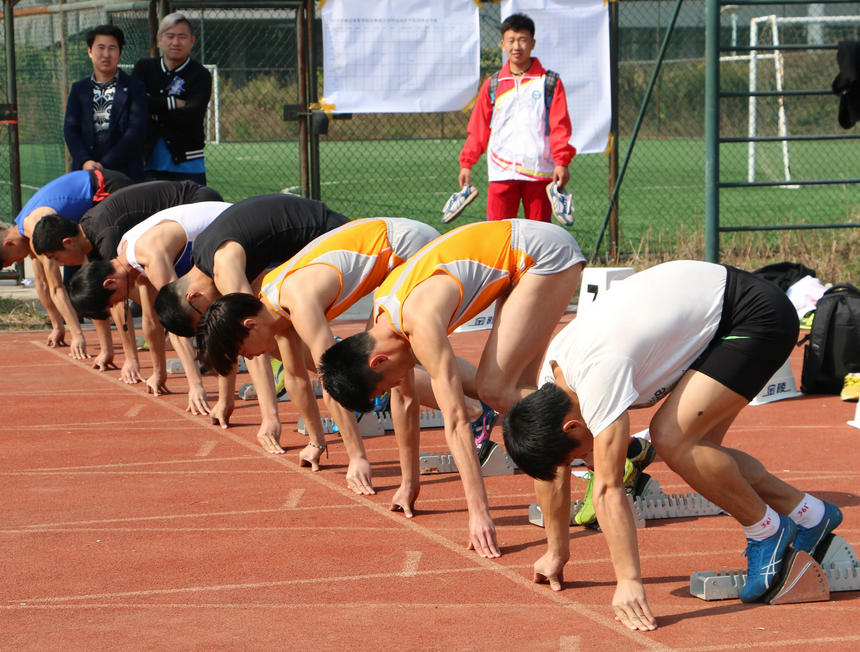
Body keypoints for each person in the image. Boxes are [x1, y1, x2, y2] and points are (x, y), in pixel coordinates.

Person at [502, 261, 845, 631]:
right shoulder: (550, 387)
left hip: (755, 314)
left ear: (572, 426)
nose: (589, 459)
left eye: (579, 456)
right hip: (718, 310)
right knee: (703, 454)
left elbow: (608, 487)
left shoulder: (598, 378)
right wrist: (556, 551)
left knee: (672, 438)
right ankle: (809, 514)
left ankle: (767, 530)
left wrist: (629, 582)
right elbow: (553, 474)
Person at [318, 219, 585, 558]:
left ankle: (607, 452)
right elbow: (405, 401)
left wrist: (479, 514)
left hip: (543, 255)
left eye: (386, 384)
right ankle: (595, 450)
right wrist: (409, 481)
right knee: (519, 394)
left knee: (497, 390)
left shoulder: (420, 322)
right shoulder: (382, 319)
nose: (397, 384)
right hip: (522, 260)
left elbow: (457, 419)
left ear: (377, 362)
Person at [194, 217, 441, 495]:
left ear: (251, 325)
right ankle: (463, 404)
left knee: (387, 367)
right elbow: (295, 376)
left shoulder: (299, 302)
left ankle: (468, 412)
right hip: (389, 250)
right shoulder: (274, 307)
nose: (250, 359)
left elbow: (331, 376)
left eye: (243, 353)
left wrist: (356, 457)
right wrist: (317, 442)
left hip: (408, 248)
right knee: (384, 364)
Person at [154, 194, 349, 454]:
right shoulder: (202, 257)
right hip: (302, 246)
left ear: (194, 297)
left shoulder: (224, 270)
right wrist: (225, 399)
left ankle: (357, 380)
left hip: (333, 236)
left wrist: (269, 417)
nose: (213, 322)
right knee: (282, 343)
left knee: (280, 341)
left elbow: (249, 338)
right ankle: (352, 377)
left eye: (205, 318)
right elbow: (236, 342)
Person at [69, 201, 232, 404]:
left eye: (113, 302)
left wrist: (195, 386)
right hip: (219, 233)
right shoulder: (126, 251)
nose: (118, 304)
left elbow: (176, 321)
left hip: (236, 224)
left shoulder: (150, 258)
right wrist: (158, 373)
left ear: (109, 282)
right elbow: (152, 319)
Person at [0, 169, 132, 368]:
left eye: (12, 261)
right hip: (96, 206)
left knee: (111, 278)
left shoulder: (35, 229)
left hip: (107, 188)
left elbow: (57, 287)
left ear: (8, 245)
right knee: (98, 282)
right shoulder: (25, 229)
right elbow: (42, 283)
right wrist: (57, 325)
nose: (19, 261)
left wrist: (77, 335)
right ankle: (109, 348)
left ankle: (157, 330)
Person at [457, 13, 574, 222]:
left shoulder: (550, 82)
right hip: (501, 173)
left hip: (539, 172)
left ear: (533, 43)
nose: (516, 46)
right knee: (498, 234)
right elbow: (478, 130)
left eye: (522, 40)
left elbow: (559, 126)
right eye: (511, 40)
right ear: (503, 44)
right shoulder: (492, 84)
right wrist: (467, 163)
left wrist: (562, 162)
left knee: (539, 237)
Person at [31, 179, 224, 266]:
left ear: (68, 242)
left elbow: (119, 291)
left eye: (56, 258)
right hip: (190, 206)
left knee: (198, 272)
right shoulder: (90, 232)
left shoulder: (104, 235)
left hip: (199, 202)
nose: (60, 265)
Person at [133, 13, 212, 184]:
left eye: (182, 36)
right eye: (170, 36)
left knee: (191, 210)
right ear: (159, 39)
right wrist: (172, 103)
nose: (175, 42)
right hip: (147, 162)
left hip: (189, 164)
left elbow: (193, 114)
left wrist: (153, 110)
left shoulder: (200, 75)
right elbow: (136, 105)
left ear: (192, 41)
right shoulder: (144, 68)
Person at [64, 25, 149, 182]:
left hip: (124, 173)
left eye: (112, 48)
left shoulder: (135, 87)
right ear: (90, 51)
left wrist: (105, 164)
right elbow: (71, 129)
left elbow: (136, 131)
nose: (106, 54)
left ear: (120, 53)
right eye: (100, 48)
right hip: (85, 172)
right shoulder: (78, 89)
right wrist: (85, 161)